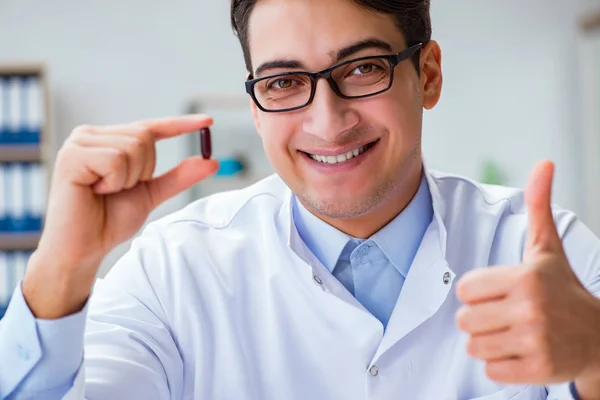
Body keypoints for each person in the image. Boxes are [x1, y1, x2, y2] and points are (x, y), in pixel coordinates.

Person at [1, 0, 599, 398]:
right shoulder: (172, 271)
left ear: (430, 74)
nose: (327, 119)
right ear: (257, 108)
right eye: (284, 82)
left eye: (363, 69)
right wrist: (61, 271)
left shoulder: (545, 252)